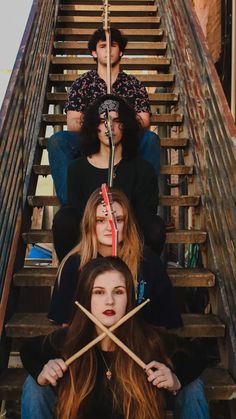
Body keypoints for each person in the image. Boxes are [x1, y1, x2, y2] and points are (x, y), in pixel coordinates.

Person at [21, 257, 209, 419]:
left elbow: (198, 354)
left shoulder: (149, 340)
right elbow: (28, 349)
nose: (109, 300)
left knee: (192, 386)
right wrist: (43, 370)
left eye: (118, 292)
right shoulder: (68, 341)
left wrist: (176, 380)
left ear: (129, 299)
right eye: (99, 292)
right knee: (35, 384)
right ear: (86, 299)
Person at [48, 28, 161, 205]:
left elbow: (144, 120)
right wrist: (99, 124)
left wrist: (119, 123)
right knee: (57, 141)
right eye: (102, 45)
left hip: (125, 138)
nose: (108, 49)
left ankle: (143, 207)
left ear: (121, 51)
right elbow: (72, 123)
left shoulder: (133, 84)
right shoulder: (82, 83)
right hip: (90, 139)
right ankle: (74, 208)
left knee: (151, 139)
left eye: (113, 45)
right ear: (94, 52)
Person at [53, 94, 165, 261]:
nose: (109, 127)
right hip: (89, 239)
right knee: (64, 220)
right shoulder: (77, 169)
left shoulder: (142, 169)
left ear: (125, 126)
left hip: (128, 238)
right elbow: (76, 212)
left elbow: (146, 214)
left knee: (155, 226)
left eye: (117, 121)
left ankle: (139, 278)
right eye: (102, 121)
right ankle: (75, 275)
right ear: (94, 127)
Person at [49, 187, 181, 329]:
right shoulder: (73, 264)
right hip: (88, 346)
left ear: (128, 223)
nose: (110, 227)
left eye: (118, 220)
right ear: (89, 223)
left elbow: (163, 322)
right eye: (100, 220)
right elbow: (66, 327)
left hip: (136, 345)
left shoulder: (147, 261)